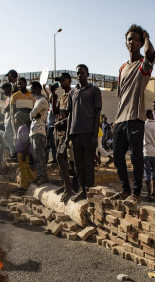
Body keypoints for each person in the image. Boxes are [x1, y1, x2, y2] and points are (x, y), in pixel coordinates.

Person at [112, 24, 155, 206]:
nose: (132, 42)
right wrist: (115, 120)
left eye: (136, 39)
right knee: (116, 156)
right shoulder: (122, 67)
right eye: (129, 39)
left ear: (140, 42)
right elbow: (121, 96)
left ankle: (136, 193)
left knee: (136, 157)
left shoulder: (142, 65)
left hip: (135, 118)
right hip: (120, 119)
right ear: (126, 43)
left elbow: (151, 56)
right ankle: (125, 189)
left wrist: (147, 39)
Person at [67, 64, 102, 202]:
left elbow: (97, 113)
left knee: (89, 165)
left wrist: (94, 135)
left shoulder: (94, 91)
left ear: (87, 74)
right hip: (75, 133)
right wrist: (68, 135)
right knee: (78, 166)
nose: (79, 75)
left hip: (88, 133)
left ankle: (89, 192)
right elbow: (70, 115)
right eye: (77, 73)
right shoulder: (72, 93)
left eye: (81, 73)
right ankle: (82, 190)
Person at [51, 73, 74, 202]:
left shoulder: (73, 94)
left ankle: (69, 189)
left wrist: (63, 123)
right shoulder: (61, 97)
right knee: (61, 159)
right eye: (59, 81)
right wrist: (53, 96)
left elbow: (72, 114)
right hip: (58, 131)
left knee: (60, 157)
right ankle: (65, 185)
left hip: (66, 131)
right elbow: (55, 111)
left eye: (62, 80)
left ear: (69, 81)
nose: (60, 82)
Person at [29, 81, 49, 185]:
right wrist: (33, 115)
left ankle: (43, 176)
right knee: (36, 156)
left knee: (40, 155)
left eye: (32, 88)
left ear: (37, 88)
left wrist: (33, 115)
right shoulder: (37, 101)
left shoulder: (42, 100)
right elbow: (32, 115)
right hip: (34, 131)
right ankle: (40, 175)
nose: (30, 90)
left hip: (39, 131)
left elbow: (32, 113)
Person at [15, 121, 36, 192]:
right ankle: (34, 180)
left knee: (23, 169)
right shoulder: (21, 127)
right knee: (26, 167)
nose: (15, 120)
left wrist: (24, 153)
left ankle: (24, 186)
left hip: (23, 152)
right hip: (21, 151)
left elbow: (27, 140)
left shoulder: (24, 127)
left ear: (20, 119)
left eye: (16, 118)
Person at [0, 83, 17, 160]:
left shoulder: (13, 97)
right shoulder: (8, 99)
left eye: (5, 90)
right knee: (8, 137)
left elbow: (8, 109)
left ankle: (14, 152)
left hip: (11, 121)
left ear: (9, 89)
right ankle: (13, 151)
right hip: (7, 121)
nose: (4, 92)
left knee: (7, 136)